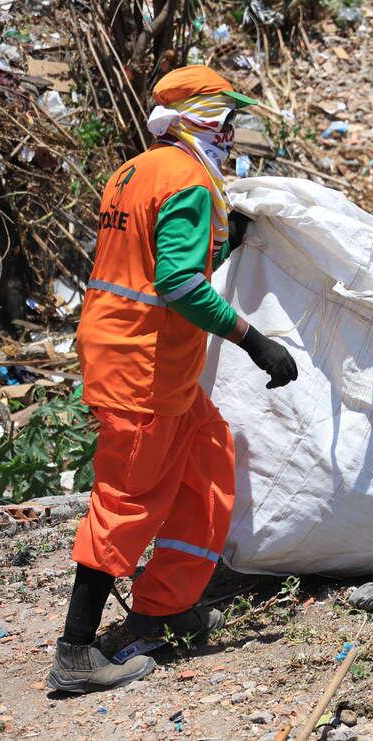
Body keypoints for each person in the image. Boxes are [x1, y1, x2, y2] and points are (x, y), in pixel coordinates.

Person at [47, 66, 299, 694]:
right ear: (202, 118)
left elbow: (152, 256)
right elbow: (178, 283)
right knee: (128, 499)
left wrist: (227, 240)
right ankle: (76, 651)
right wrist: (255, 341)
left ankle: (162, 605)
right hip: (143, 369)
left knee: (209, 464)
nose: (235, 130)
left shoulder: (135, 170)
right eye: (228, 118)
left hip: (146, 360)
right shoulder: (188, 179)